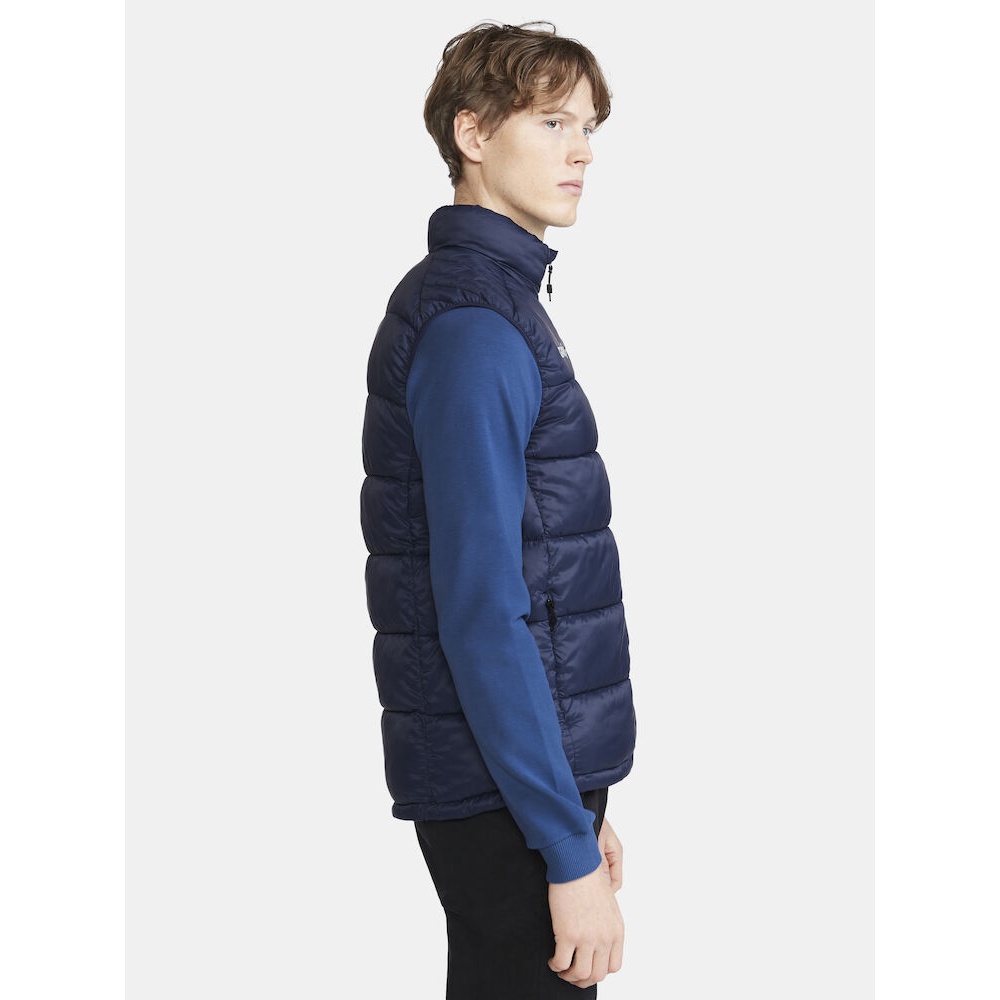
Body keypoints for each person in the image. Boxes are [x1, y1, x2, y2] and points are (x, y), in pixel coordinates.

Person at [360, 20, 637, 998]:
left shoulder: (493, 303)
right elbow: (481, 611)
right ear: (472, 134)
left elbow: (538, 574)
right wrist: (559, 839)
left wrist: (574, 803)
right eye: (552, 121)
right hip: (498, 796)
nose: (581, 150)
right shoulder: (475, 328)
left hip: (514, 786)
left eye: (589, 125)